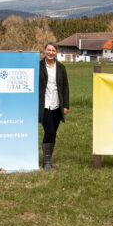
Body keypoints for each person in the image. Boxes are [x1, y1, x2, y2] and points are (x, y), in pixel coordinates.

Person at [38, 41, 69, 170]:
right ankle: (46, 163)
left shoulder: (61, 67)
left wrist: (66, 105)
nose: (51, 52)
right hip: (44, 105)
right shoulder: (38, 66)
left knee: (53, 132)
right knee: (49, 131)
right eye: (48, 50)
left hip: (57, 105)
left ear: (56, 53)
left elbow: (65, 87)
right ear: (44, 51)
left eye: (53, 50)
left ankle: (48, 160)